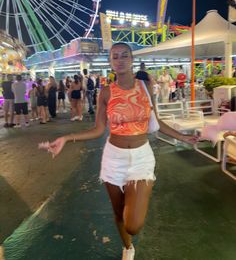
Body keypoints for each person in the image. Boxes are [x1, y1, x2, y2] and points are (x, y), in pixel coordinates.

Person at [43, 43, 197, 260]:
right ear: (111, 62)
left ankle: (130, 234)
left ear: (132, 59)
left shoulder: (145, 86)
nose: (120, 59)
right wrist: (67, 138)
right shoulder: (106, 92)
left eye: (125, 55)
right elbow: (98, 129)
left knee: (133, 223)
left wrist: (183, 137)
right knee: (118, 213)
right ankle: (128, 248)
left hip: (141, 158)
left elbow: (157, 122)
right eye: (115, 56)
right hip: (113, 159)